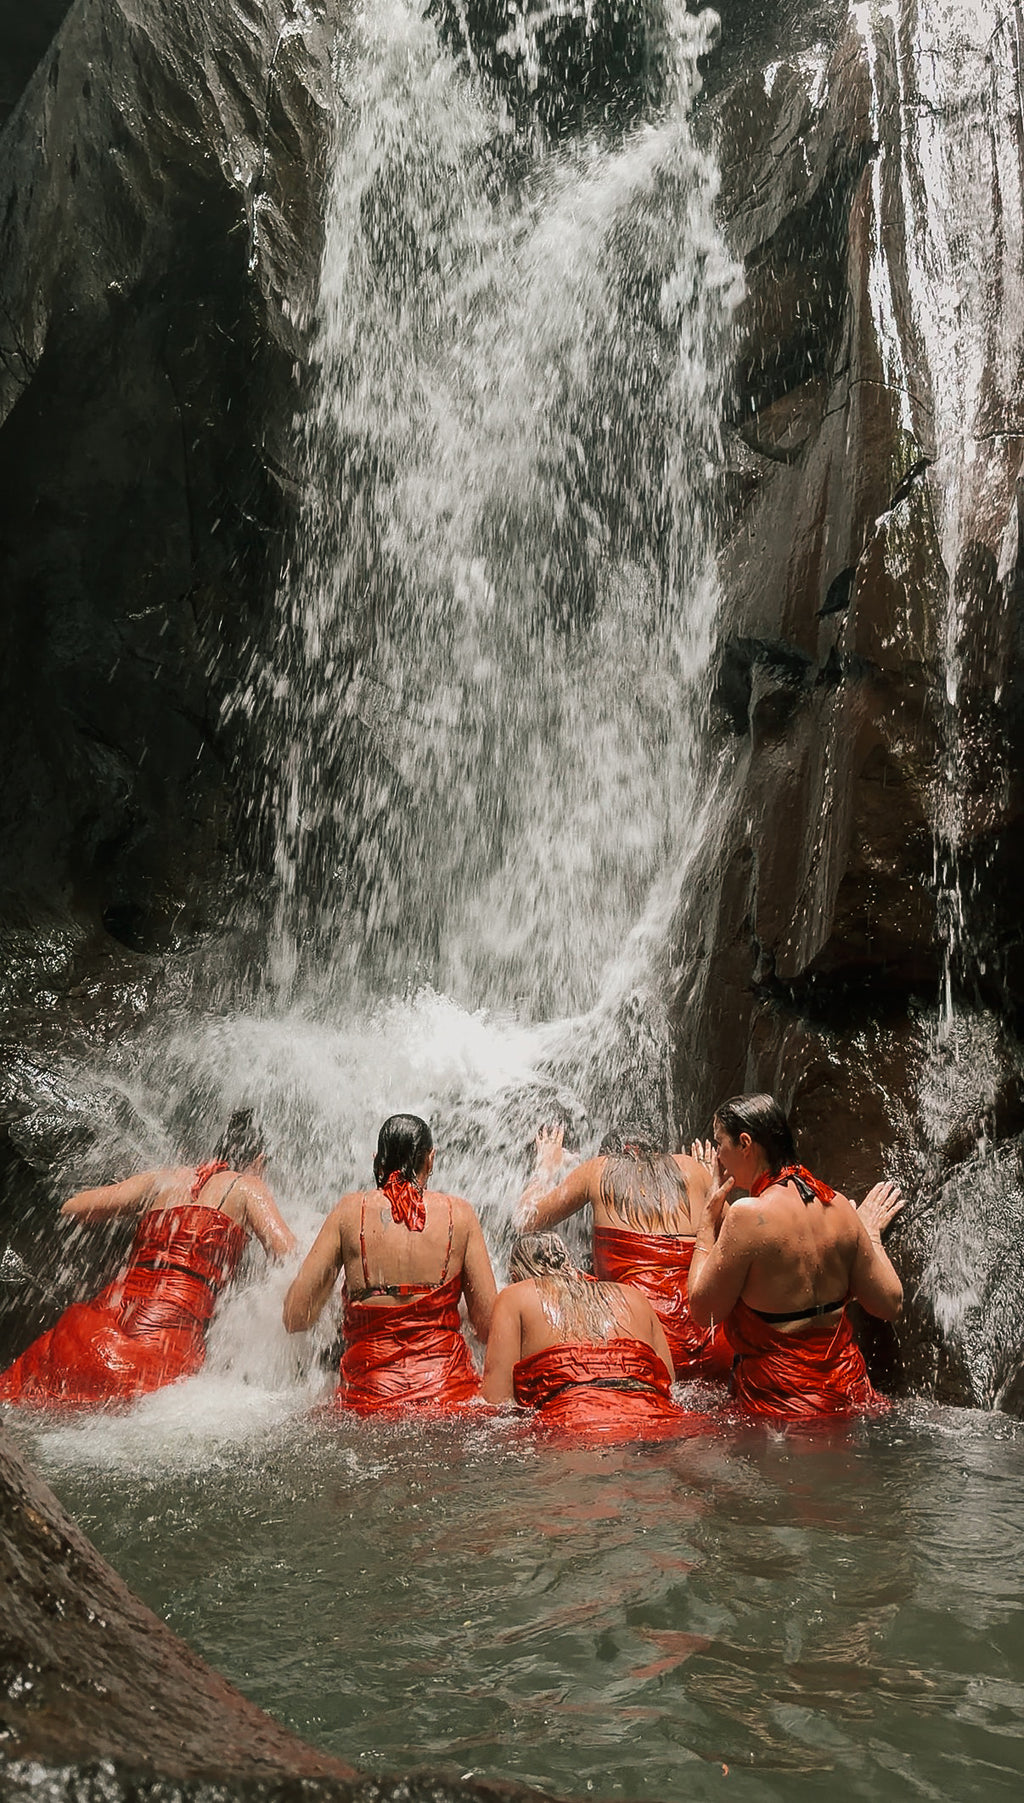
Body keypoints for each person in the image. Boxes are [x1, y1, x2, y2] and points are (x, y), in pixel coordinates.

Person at [0, 1109, 296, 1410]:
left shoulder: (163, 1180)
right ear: (259, 1160)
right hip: (167, 1335)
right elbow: (289, 1256)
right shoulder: (247, 1187)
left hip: (105, 1321)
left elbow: (73, 1208)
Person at [687, 1093, 904, 1422]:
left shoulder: (747, 1216)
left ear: (745, 1143)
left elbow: (703, 1312)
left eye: (720, 1144)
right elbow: (890, 1304)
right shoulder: (840, 1207)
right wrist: (870, 1233)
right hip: (850, 1401)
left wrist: (705, 1224)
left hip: (780, 1413)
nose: (718, 1156)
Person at [283, 1113, 496, 1414]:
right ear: (430, 1160)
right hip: (448, 1398)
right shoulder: (460, 1215)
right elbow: (489, 1328)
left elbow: (295, 1317)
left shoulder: (348, 1212)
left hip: (367, 1401)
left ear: (377, 1160)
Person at [516, 1124, 731, 1380]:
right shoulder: (692, 1169)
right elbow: (734, 1238)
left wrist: (545, 1167)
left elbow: (526, 1219)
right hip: (711, 1342)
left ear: (609, 1154)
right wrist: (709, 1188)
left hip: (639, 1342)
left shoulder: (599, 1168)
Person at [481, 1232, 699, 1440]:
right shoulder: (633, 1296)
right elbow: (670, 1385)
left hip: (575, 1425)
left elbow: (498, 1402)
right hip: (657, 1418)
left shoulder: (514, 1296)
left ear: (515, 1277)